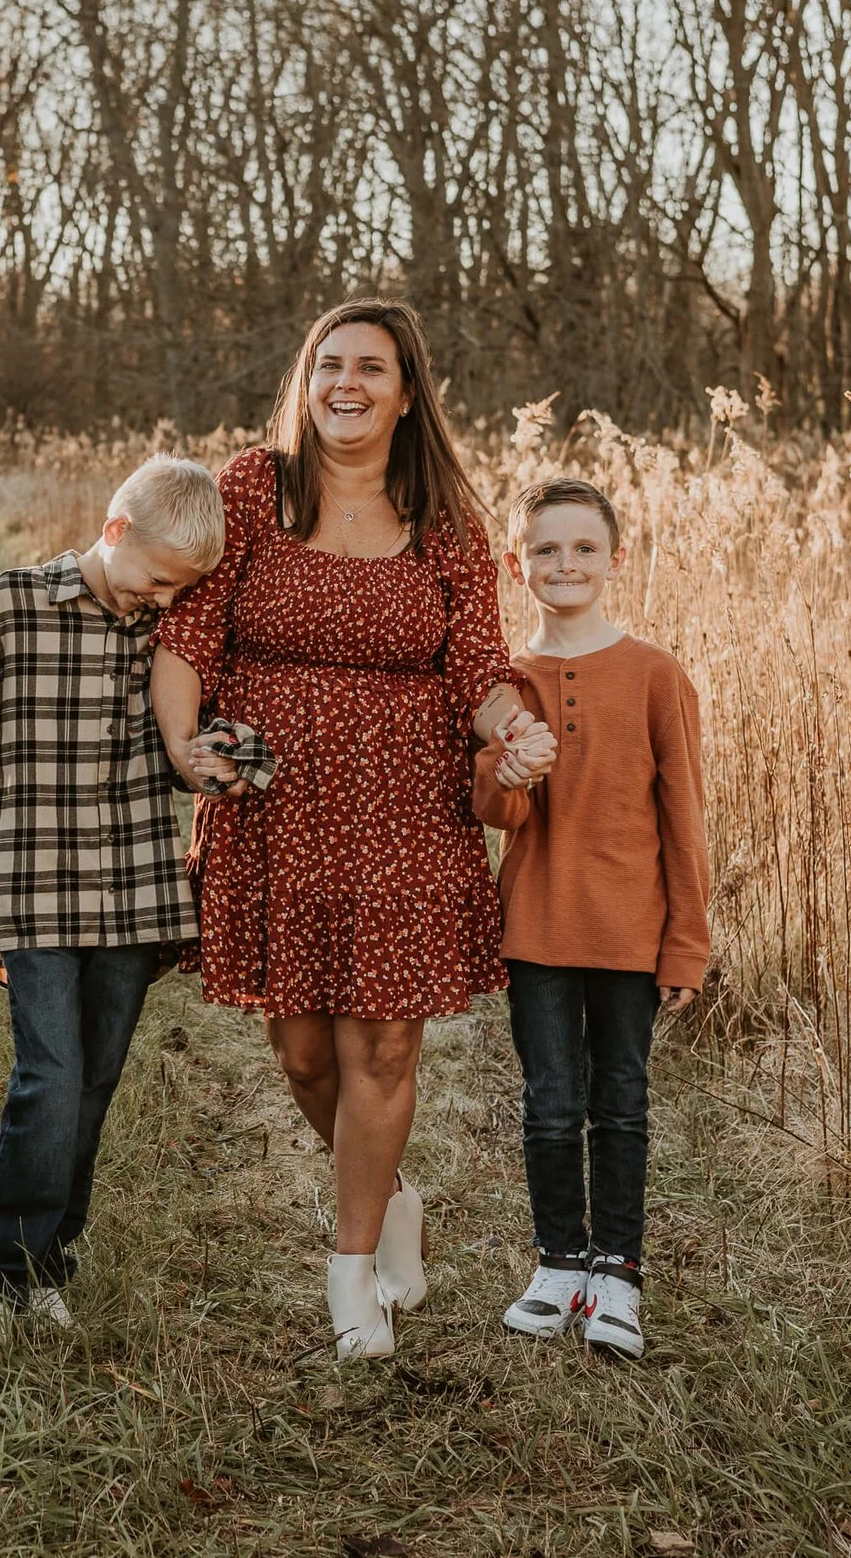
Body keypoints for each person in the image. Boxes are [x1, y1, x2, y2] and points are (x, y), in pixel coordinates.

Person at [151, 299, 528, 1360]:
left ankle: (351, 1267)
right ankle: (393, 1194)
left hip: (405, 805)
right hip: (273, 805)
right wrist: (186, 745)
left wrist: (512, 728)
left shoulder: (445, 516)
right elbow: (190, 629)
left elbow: (477, 667)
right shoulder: (248, 488)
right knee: (304, 1048)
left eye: (373, 366)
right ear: (304, 381)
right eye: (330, 363)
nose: (347, 383)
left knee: (382, 1039)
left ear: (408, 393)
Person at [0, 456, 227, 1344]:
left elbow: (194, 736)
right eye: (156, 579)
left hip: (136, 895)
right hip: (36, 891)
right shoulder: (11, 606)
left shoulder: (165, 634)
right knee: (51, 1075)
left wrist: (232, 758)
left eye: (178, 590)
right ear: (115, 532)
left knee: (96, 1083)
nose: (161, 600)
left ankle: (47, 1261)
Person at [473, 477, 708, 1360]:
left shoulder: (655, 674)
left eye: (582, 548)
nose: (564, 563)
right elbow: (496, 817)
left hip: (629, 931)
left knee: (620, 1102)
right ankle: (558, 1261)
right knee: (548, 1104)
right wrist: (508, 772)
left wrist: (686, 940)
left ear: (615, 559)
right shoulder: (505, 687)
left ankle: (618, 1269)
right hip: (537, 925)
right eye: (544, 549)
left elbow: (684, 815)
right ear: (516, 564)